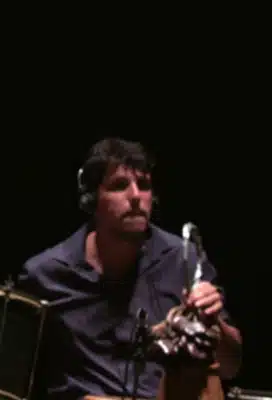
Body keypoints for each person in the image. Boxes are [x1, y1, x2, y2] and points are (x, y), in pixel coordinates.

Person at [18, 138, 243, 400]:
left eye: (144, 186)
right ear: (92, 199)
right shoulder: (46, 275)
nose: (136, 196)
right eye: (119, 186)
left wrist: (212, 323)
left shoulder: (182, 259)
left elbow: (231, 367)